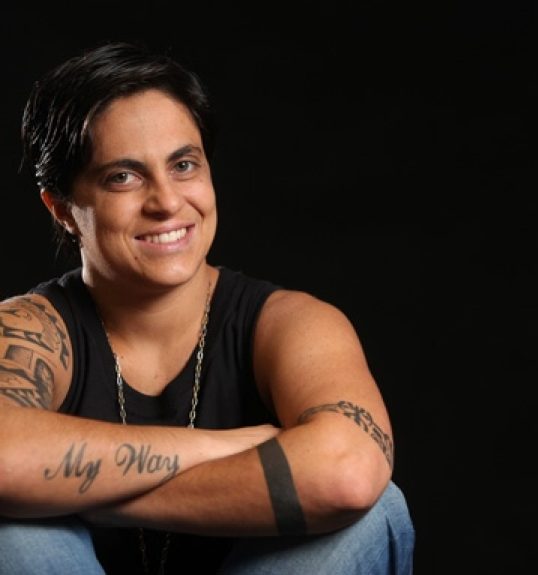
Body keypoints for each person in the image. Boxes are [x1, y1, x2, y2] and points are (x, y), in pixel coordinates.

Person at [0, 41, 415, 574]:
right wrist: (226, 447)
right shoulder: (29, 329)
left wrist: (72, 493)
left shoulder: (289, 324)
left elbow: (348, 471)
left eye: (183, 165)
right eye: (123, 176)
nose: (167, 202)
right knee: (14, 532)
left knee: (371, 511)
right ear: (61, 208)